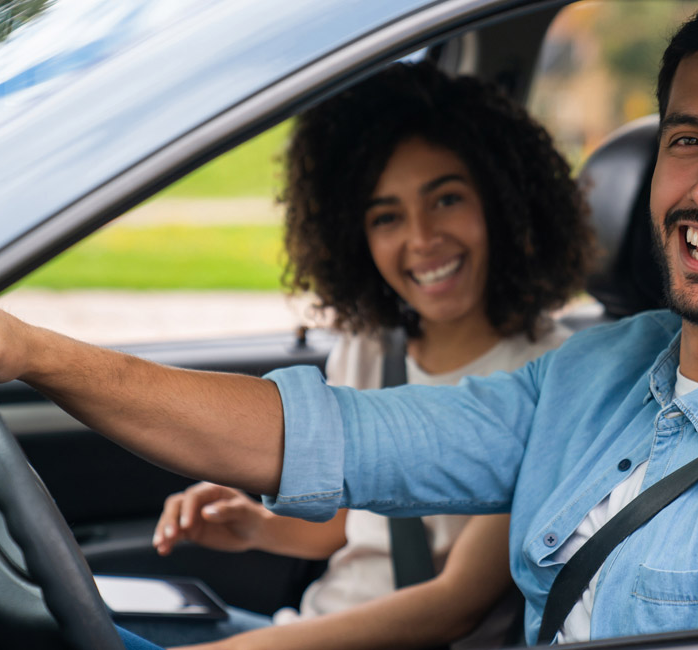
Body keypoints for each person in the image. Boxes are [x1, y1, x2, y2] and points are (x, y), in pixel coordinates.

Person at [0, 0, 698, 645]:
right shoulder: (606, 369)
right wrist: (31, 350)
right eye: (688, 140)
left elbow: (454, 602)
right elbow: (334, 436)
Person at [124, 62, 592, 649]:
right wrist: (256, 528)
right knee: (62, 614)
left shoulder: (558, 375)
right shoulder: (372, 350)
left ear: (503, 203)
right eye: (387, 216)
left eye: (446, 199)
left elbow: (455, 605)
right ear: (355, 237)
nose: (421, 239)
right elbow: (349, 531)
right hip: (303, 627)